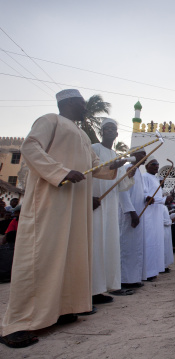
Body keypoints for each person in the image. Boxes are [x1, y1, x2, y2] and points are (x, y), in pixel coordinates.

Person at [0, 89, 120, 348]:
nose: (84, 105)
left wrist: (120, 165)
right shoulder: (49, 121)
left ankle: (64, 308)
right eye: (80, 101)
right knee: (41, 256)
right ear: (67, 102)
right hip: (51, 200)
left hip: (75, 206)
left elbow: (97, 168)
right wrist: (61, 172)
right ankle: (17, 324)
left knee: (71, 255)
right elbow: (30, 147)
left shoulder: (83, 136)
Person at [91, 119, 135, 305]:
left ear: (117, 134)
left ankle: (101, 288)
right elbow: (89, 172)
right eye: (106, 128)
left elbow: (120, 184)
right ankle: (90, 289)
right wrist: (88, 197)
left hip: (110, 205)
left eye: (113, 129)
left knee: (107, 245)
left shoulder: (115, 154)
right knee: (94, 245)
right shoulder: (93, 148)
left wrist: (130, 172)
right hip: (95, 202)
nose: (110, 131)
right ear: (101, 132)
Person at [119, 148, 147, 288]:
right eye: (142, 153)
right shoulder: (127, 168)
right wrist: (131, 212)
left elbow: (140, 193)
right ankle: (124, 280)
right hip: (128, 215)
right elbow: (123, 192)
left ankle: (133, 278)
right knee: (126, 246)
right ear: (133, 155)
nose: (145, 156)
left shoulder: (139, 173)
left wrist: (147, 198)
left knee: (135, 247)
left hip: (138, 213)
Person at [142, 157, 172, 280]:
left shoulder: (155, 179)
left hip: (157, 215)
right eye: (154, 164)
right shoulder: (144, 177)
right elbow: (145, 196)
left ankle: (154, 270)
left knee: (156, 243)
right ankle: (147, 272)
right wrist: (164, 200)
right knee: (149, 242)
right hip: (149, 215)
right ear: (147, 166)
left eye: (158, 164)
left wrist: (165, 199)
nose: (157, 166)